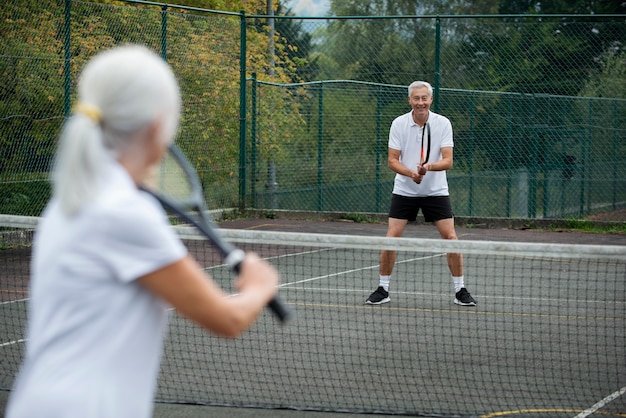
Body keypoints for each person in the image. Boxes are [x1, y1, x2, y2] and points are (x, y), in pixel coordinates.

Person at [6, 45, 280, 418]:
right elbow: (226, 319)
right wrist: (260, 286)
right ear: (156, 127)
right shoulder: (124, 212)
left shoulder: (72, 200)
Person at [365, 81, 476, 307]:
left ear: (431, 99)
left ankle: (460, 290)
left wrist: (428, 168)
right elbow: (392, 160)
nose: (420, 102)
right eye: (416, 98)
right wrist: (410, 173)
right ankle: (383, 288)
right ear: (410, 100)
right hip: (405, 189)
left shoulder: (443, 123)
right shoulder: (398, 124)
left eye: (424, 98)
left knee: (451, 238)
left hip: (435, 190)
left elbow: (448, 160)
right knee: (391, 237)